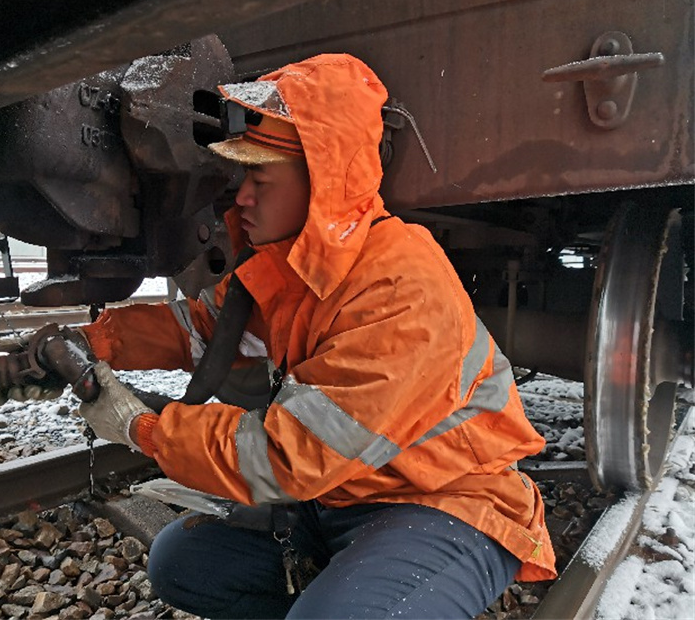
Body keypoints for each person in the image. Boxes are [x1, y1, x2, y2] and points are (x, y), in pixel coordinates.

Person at [70, 53, 557, 619]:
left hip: (445, 501)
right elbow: (203, 335)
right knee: (181, 562)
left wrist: (142, 428)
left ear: (323, 180)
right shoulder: (282, 268)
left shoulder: (400, 285)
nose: (241, 196)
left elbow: (288, 456)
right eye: (239, 176)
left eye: (258, 176)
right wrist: (98, 341)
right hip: (343, 495)